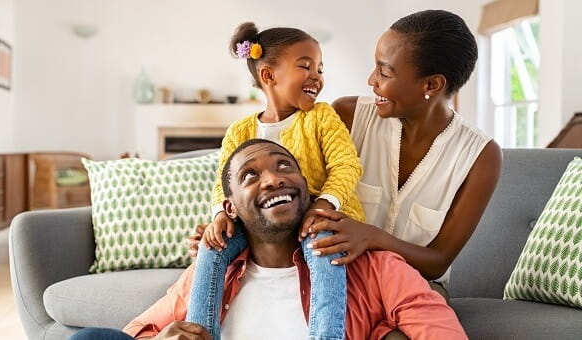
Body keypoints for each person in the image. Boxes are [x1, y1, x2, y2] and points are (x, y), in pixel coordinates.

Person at [115, 139, 465, 340]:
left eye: (285, 167)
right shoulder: (210, 274)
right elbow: (135, 330)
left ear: (309, 192)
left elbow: (442, 332)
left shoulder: (375, 267)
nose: (272, 180)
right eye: (251, 175)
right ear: (230, 208)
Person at [301, 9, 502, 300]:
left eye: (384, 72)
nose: (371, 80)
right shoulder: (346, 117)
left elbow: (438, 261)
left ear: (431, 85)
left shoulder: (481, 157)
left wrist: (373, 237)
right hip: (336, 276)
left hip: (414, 289)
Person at [187, 23, 365, 340]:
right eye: (305, 66)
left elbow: (346, 164)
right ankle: (199, 332)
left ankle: (326, 335)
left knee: (323, 244)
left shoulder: (322, 116)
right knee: (212, 248)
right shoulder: (239, 131)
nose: (317, 77)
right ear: (269, 76)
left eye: (320, 69)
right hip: (261, 224)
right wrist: (219, 215)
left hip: (317, 215)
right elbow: (223, 183)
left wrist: (323, 205)